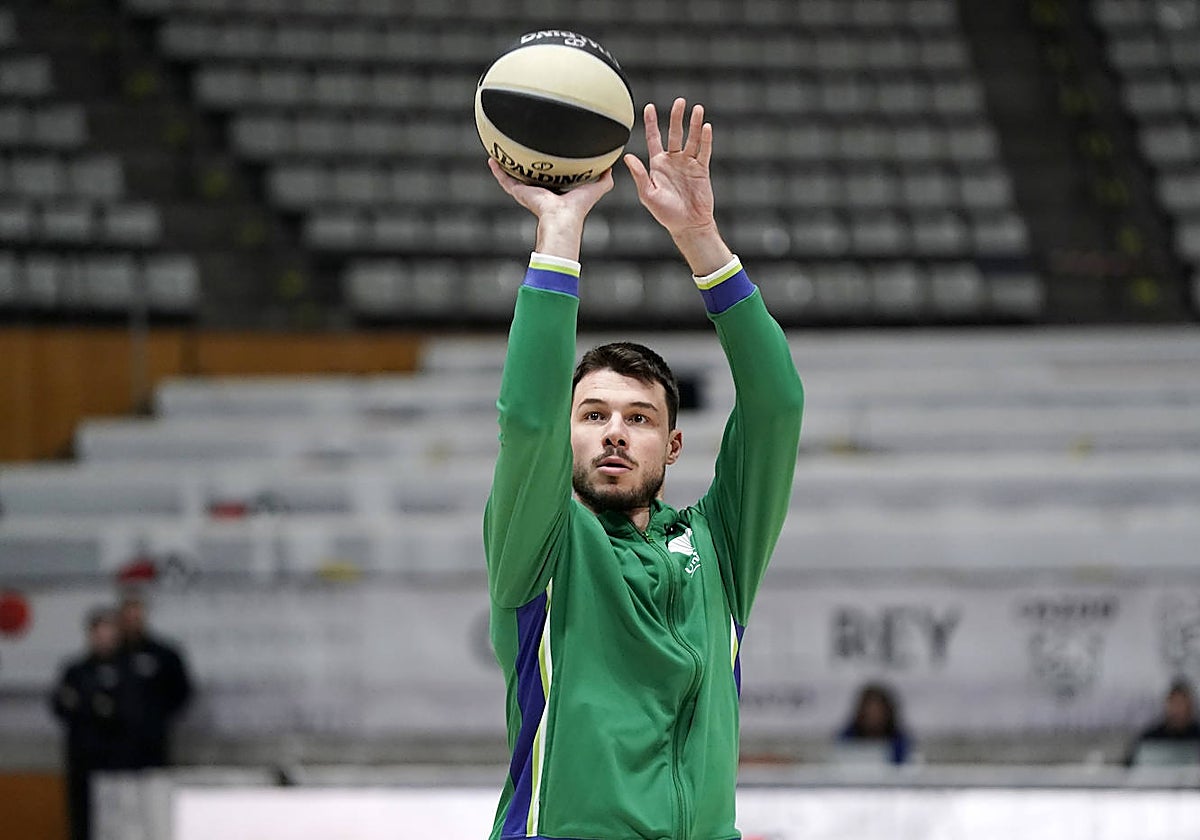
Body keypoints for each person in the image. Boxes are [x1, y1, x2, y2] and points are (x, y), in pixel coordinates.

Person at [483, 98, 805, 840]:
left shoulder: (718, 545)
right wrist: (559, 231)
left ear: (674, 445)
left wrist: (700, 240)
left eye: (639, 418)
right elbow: (527, 420)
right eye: (592, 416)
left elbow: (777, 405)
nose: (615, 434)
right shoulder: (543, 547)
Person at [50, 608, 136, 840]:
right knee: (82, 820)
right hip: (82, 759)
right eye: (99, 632)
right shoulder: (76, 670)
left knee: (118, 821)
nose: (104, 638)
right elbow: (61, 705)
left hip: (117, 762)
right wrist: (95, 705)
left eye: (109, 632)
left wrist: (85, 704)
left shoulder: (128, 670)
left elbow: (124, 712)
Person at [117, 592, 192, 769]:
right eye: (128, 616)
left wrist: (158, 716)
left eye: (137, 614)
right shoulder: (112, 655)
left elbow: (181, 690)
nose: (133, 621)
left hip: (153, 740)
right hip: (114, 743)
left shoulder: (163, 654)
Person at [1126, 678, 1200, 766]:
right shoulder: (1150, 737)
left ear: (1190, 706)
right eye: (1174, 703)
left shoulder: (1196, 734)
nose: (1177, 709)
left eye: (1181, 703)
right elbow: (1129, 766)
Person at [837, 682, 911, 765]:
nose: (873, 716)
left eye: (878, 712)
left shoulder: (900, 741)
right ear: (861, 713)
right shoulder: (846, 738)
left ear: (887, 713)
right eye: (869, 712)